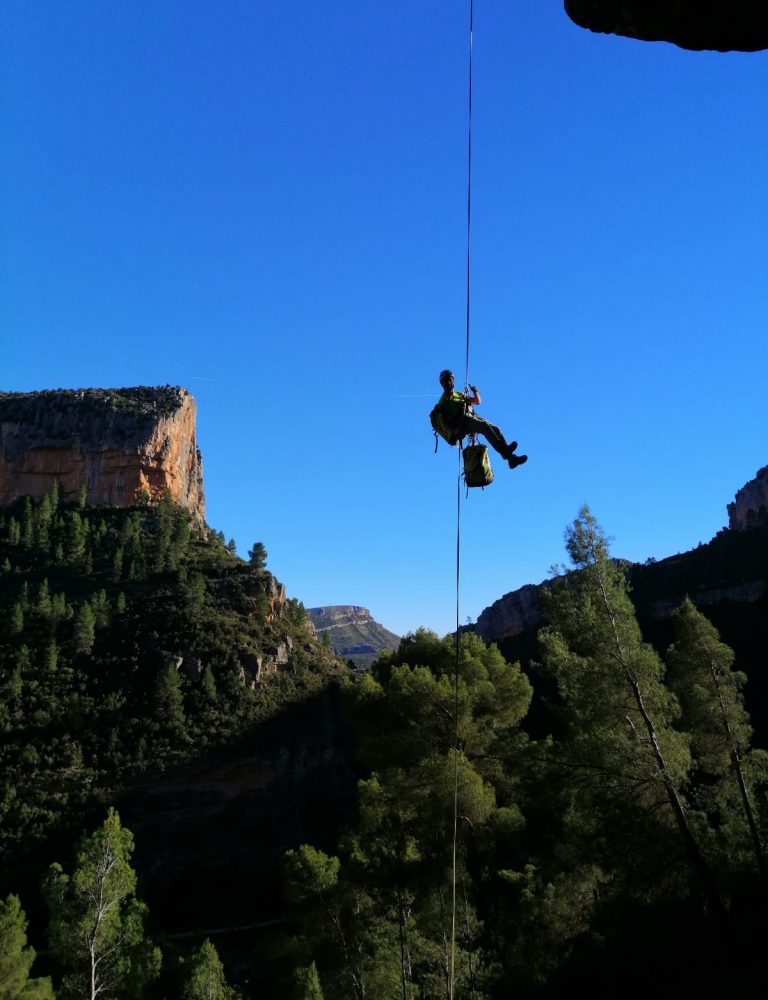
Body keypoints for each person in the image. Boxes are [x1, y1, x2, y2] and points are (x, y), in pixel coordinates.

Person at [434, 369, 527, 469]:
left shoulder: (459, 394)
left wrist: (475, 392)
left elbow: (477, 401)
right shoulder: (443, 401)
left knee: (495, 428)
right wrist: (453, 433)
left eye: (450, 379)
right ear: (442, 384)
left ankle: (511, 459)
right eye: (445, 381)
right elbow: (443, 422)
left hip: (470, 417)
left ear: (453, 381)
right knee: (484, 427)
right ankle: (505, 452)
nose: (448, 382)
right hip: (461, 424)